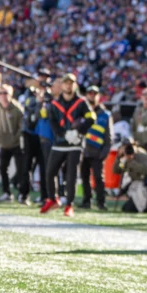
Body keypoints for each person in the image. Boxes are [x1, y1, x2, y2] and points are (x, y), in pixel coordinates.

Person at [40, 73, 94, 217]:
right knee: (50, 171)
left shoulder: (81, 103)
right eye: (66, 83)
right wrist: (63, 135)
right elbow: (52, 121)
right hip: (59, 143)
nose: (68, 86)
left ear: (74, 85)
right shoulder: (55, 103)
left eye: (71, 83)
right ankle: (52, 198)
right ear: (61, 85)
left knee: (71, 175)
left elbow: (91, 118)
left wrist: (79, 132)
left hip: (75, 144)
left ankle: (69, 205)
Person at [19, 70, 51, 204]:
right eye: (41, 77)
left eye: (46, 77)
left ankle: (44, 196)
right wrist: (38, 100)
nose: (43, 79)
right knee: (27, 165)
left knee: (44, 166)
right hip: (30, 134)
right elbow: (30, 112)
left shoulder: (50, 94)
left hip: (44, 135)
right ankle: (24, 194)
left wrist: (44, 97)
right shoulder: (30, 93)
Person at [79, 86, 113, 211]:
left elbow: (108, 136)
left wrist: (104, 152)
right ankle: (86, 201)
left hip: (97, 151)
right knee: (84, 177)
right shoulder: (82, 112)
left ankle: (101, 202)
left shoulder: (105, 114)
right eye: (90, 93)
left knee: (98, 178)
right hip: (83, 150)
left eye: (95, 93)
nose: (92, 96)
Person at [0, 85, 25, 203]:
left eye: (6, 93)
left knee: (22, 169)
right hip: (4, 144)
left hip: (17, 144)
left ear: (11, 95)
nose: (3, 96)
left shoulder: (17, 109)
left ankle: (23, 194)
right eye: (1, 93)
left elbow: (21, 128)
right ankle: (7, 192)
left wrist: (14, 139)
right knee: (3, 169)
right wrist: (0, 139)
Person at [116, 138, 147, 213]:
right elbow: (116, 170)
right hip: (131, 185)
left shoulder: (142, 154)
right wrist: (119, 158)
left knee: (133, 208)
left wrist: (131, 161)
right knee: (126, 208)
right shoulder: (124, 155)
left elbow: (146, 170)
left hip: (143, 184)